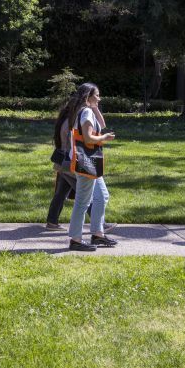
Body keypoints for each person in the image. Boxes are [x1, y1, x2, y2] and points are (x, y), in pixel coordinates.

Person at [45, 95, 117, 233]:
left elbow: (101, 125)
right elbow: (94, 133)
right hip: (71, 162)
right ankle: (100, 225)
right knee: (86, 195)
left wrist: (94, 106)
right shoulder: (74, 121)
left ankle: (52, 222)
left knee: (60, 193)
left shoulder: (65, 120)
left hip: (62, 162)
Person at [65, 83, 116, 251]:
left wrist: (95, 106)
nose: (99, 98)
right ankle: (76, 240)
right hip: (86, 162)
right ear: (88, 97)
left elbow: (102, 123)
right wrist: (104, 138)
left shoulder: (87, 110)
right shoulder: (85, 112)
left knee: (102, 195)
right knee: (82, 202)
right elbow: (87, 139)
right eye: (97, 96)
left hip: (91, 163)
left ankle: (97, 235)